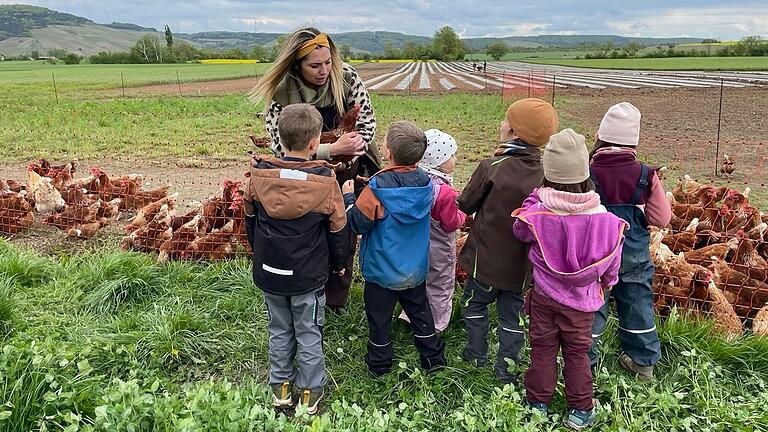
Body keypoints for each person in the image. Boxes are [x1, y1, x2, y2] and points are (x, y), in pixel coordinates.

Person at [249, 27, 381, 312]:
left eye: (327, 62)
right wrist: (331, 151)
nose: (324, 70)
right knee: (308, 234)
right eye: (314, 65)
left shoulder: (346, 77)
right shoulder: (283, 91)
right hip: (303, 174)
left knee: (342, 233)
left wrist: (353, 149)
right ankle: (305, 291)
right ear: (298, 64)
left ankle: (335, 299)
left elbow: (367, 123)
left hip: (347, 169)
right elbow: (278, 144)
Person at [513, 129, 627, 429]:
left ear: (547, 175)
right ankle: (580, 410)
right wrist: (608, 283)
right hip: (583, 305)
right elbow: (612, 265)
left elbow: (520, 230)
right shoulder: (606, 220)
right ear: (584, 173)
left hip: (544, 298)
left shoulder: (538, 212)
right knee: (578, 353)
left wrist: (534, 198)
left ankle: (538, 403)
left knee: (542, 349)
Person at [242, 104, 348, 415]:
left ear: (279, 138)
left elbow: (250, 223)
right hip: (308, 277)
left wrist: (258, 253)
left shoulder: (257, 177)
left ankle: (280, 389)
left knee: (278, 329)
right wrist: (338, 263)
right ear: (316, 142)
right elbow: (338, 230)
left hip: (269, 272)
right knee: (308, 331)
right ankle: (309, 394)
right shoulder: (326, 183)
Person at [457, 98, 559, 384]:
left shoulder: (493, 165)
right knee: (512, 316)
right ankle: (507, 369)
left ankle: (476, 354)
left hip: (484, 262)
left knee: (474, 306)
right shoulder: (547, 173)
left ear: (514, 132)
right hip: (521, 267)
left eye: (506, 121)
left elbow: (465, 203)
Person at [342, 121, 447, 377]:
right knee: (421, 314)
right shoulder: (427, 183)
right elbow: (402, 189)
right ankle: (433, 360)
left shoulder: (376, 190)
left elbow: (357, 223)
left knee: (379, 321)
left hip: (381, 273)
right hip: (415, 270)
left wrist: (348, 197)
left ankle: (379, 364)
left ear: (387, 152)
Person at [588, 102, 672, 380]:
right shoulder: (646, 174)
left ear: (601, 135)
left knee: (593, 307)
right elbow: (661, 218)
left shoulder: (589, 171)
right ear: (633, 140)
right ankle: (643, 364)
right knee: (637, 305)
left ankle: (585, 362)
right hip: (632, 255)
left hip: (596, 256)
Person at [399, 129, 466, 333]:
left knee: (415, 281)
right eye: (451, 155)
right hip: (438, 249)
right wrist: (463, 214)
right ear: (438, 160)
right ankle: (436, 324)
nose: (455, 159)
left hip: (414, 243)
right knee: (439, 285)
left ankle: (408, 314)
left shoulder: (413, 181)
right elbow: (451, 223)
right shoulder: (444, 192)